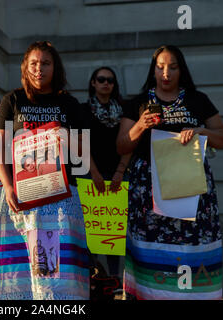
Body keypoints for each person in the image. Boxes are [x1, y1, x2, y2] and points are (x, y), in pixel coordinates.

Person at [116, 45, 223, 300]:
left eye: (172, 67)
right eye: (160, 67)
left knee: (190, 245)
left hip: (190, 186)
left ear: (182, 69)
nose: (165, 73)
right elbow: (121, 145)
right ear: (153, 69)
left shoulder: (197, 99)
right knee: (151, 246)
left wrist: (202, 132)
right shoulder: (139, 102)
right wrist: (140, 126)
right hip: (148, 187)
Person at [0, 41, 90, 300]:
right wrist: (8, 186)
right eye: (33, 63)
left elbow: (84, 152)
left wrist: (65, 135)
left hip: (58, 198)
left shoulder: (68, 103)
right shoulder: (12, 100)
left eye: (45, 63)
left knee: (51, 273)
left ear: (55, 68)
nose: (39, 69)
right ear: (25, 67)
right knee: (24, 271)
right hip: (22, 195)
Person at [81, 66, 131, 294]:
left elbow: (130, 142)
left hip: (117, 176)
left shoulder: (124, 110)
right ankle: (92, 277)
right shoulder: (83, 110)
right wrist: (94, 172)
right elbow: (80, 142)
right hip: (89, 175)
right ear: (93, 82)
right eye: (101, 79)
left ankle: (113, 280)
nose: (106, 83)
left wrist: (120, 171)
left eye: (110, 80)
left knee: (113, 232)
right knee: (91, 232)